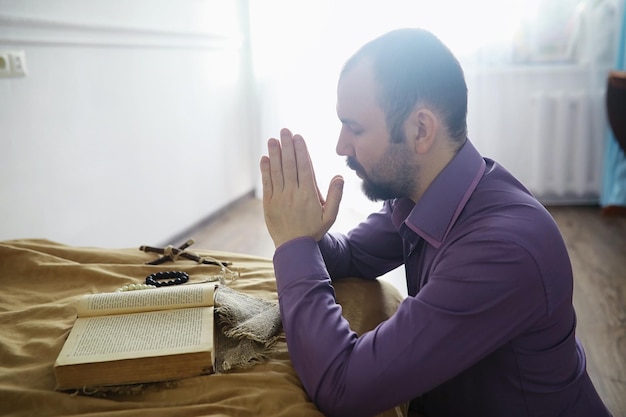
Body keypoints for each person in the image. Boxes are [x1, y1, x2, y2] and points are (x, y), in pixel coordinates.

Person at [259, 28, 612, 417]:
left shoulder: (503, 251)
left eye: (355, 128)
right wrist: (305, 228)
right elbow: (353, 255)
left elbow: (343, 386)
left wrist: (294, 245)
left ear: (421, 130)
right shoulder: (431, 190)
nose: (342, 146)